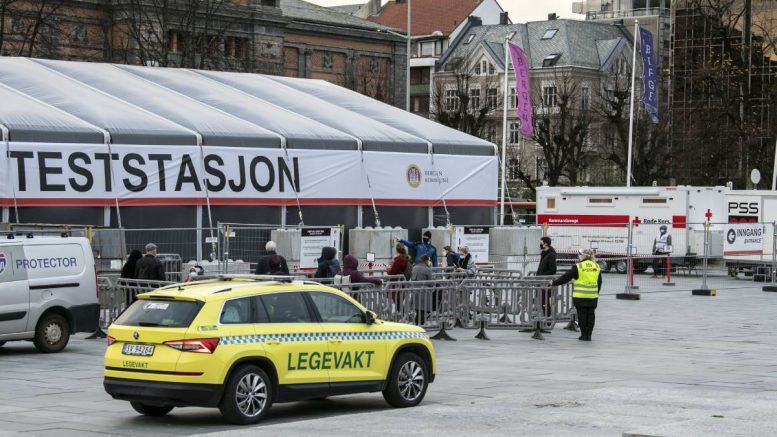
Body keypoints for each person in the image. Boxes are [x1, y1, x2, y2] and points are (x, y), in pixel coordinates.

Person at [552, 249, 602, 342]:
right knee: (591, 315)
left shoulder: (578, 266)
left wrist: (554, 283)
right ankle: (589, 335)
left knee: (582, 315)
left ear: (582, 256)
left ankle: (583, 335)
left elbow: (566, 277)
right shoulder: (596, 266)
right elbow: (599, 282)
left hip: (580, 295)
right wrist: (596, 292)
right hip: (592, 296)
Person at [536, 237, 557, 317]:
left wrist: (542, 275)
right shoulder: (544, 253)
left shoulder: (551, 255)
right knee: (542, 301)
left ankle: (547, 320)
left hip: (546, 282)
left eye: (541, 243)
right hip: (541, 281)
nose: (540, 244)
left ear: (546, 244)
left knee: (545, 302)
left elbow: (553, 270)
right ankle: (544, 318)